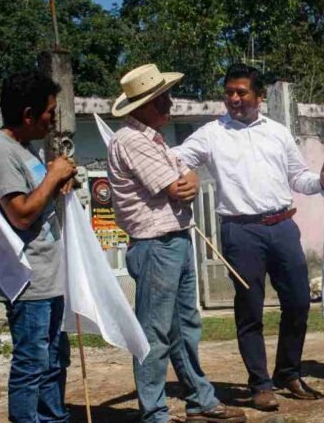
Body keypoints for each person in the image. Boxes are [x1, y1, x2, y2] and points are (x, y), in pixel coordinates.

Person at [173, 63, 324, 410]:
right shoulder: (211, 134)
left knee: (299, 302)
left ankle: (288, 372)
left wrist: (320, 181)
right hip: (240, 230)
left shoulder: (278, 132)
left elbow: (299, 178)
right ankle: (260, 384)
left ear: (259, 97)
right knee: (250, 309)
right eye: (229, 92)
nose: (234, 99)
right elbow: (174, 159)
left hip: (282, 227)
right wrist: (183, 174)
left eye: (241, 92)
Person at [107, 64, 246, 423]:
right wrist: (188, 180)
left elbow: (188, 180)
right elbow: (177, 186)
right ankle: (154, 412)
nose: (167, 104)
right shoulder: (132, 140)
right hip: (156, 244)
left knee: (184, 327)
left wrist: (191, 180)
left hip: (174, 240)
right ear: (140, 106)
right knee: (155, 333)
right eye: (159, 100)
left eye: (165, 96)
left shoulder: (152, 138)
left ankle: (200, 399)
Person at [0, 70, 76, 422]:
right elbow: (20, 214)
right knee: (32, 365)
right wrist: (52, 176)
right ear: (29, 115)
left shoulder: (24, 148)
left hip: (48, 276)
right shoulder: (0, 153)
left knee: (53, 361)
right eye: (49, 112)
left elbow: (38, 200)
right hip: (28, 281)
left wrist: (56, 183)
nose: (53, 121)